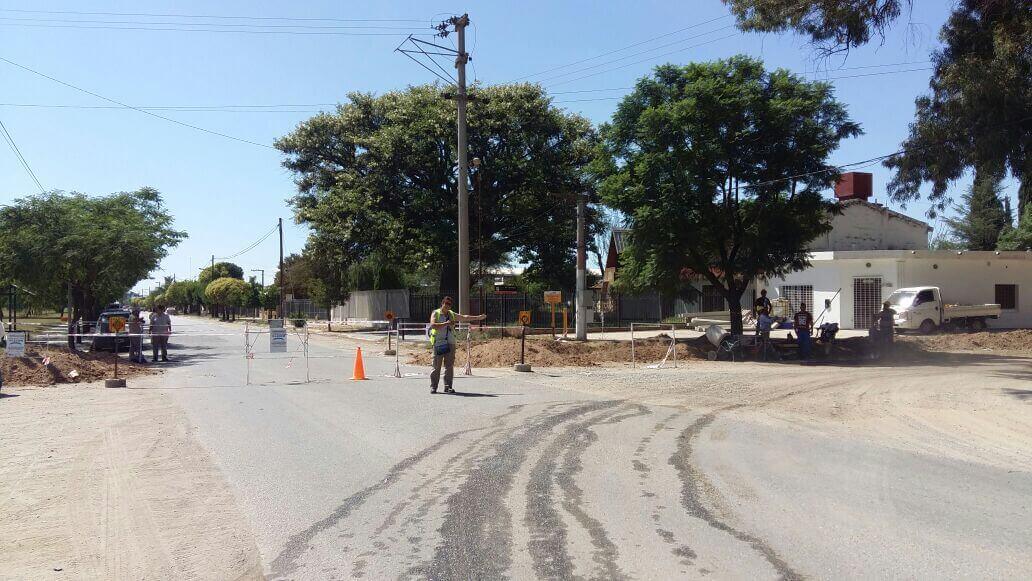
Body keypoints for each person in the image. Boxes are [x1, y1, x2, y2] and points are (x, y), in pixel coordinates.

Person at [428, 296, 486, 394]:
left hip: (450, 343)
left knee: (449, 366)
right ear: (442, 303)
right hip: (439, 343)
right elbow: (433, 325)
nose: (447, 305)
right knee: (436, 366)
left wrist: (478, 317)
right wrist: (446, 323)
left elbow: (464, 317)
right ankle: (433, 387)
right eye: (446, 303)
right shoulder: (436, 313)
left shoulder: (451, 314)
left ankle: (448, 386)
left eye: (449, 304)